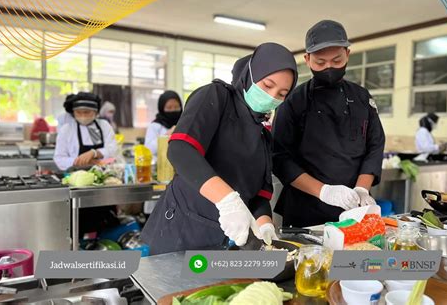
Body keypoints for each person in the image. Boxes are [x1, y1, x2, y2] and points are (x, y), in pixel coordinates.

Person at [141, 43, 298, 255]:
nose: (272, 97)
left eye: (282, 93)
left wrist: (265, 225)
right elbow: (181, 149)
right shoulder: (216, 97)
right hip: (182, 233)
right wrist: (228, 201)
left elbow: (260, 196)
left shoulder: (263, 136)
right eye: (267, 85)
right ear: (250, 75)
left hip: (223, 245)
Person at [273, 20, 385, 227]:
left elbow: (375, 145)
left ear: (347, 54)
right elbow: (280, 157)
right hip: (305, 209)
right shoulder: (293, 100)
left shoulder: (362, 97)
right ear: (307, 59)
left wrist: (361, 189)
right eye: (320, 62)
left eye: (336, 60)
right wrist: (324, 191)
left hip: (354, 209)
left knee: (353, 258)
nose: (329, 68)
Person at [54, 92, 118, 171]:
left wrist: (95, 153)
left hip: (103, 174)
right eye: (78, 112)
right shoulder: (67, 129)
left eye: (87, 112)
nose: (83, 116)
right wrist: (81, 162)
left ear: (95, 112)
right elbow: (59, 158)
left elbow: (112, 149)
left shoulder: (103, 125)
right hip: (76, 176)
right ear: (73, 112)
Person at [144, 90, 183, 160]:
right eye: (169, 107)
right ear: (162, 108)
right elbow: (148, 149)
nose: (173, 110)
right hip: (160, 165)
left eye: (176, 107)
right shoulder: (155, 126)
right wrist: (167, 135)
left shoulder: (184, 123)